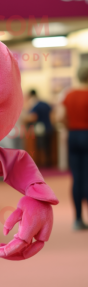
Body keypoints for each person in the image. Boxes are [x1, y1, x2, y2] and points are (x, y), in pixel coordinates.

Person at [62, 64, 88, 230]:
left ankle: (78, 218)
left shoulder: (69, 95)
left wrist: (70, 126)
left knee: (77, 176)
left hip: (73, 135)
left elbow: (60, 117)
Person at [24, 89, 53, 167]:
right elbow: (52, 115)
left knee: (40, 146)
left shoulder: (35, 105)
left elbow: (33, 117)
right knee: (47, 146)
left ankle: (42, 163)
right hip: (49, 128)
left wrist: (24, 118)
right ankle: (48, 162)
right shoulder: (45, 103)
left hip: (40, 129)